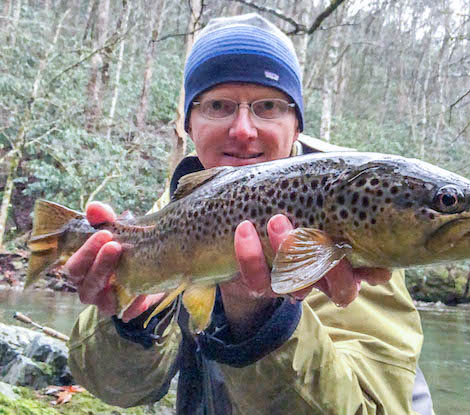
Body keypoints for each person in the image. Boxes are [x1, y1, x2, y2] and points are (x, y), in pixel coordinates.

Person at [66, 13, 434, 415]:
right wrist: (129, 324)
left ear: (296, 126)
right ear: (190, 124)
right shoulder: (169, 221)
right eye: (219, 105)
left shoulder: (351, 217)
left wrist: (264, 323)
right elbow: (118, 389)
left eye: (268, 106)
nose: (243, 130)